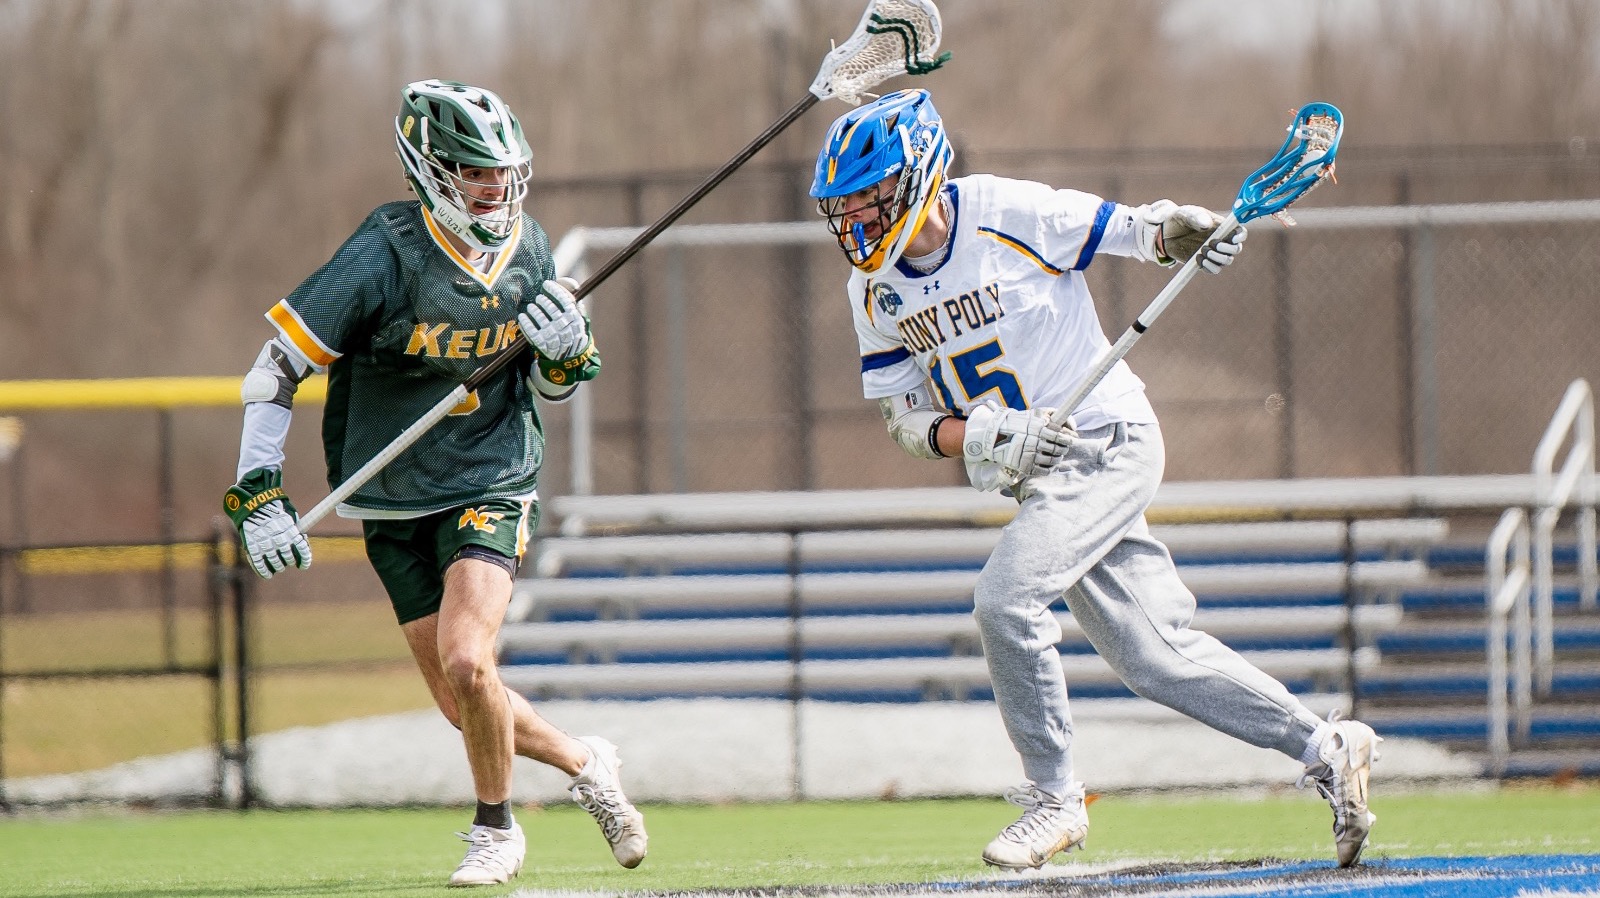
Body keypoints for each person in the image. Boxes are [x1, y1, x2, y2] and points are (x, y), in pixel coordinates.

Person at [809, 88, 1380, 870]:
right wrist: (983, 433)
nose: (858, 223)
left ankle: (1054, 799)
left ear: (918, 176)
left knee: (1004, 601)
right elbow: (908, 423)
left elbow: (1139, 231)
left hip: (1106, 438)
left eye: (870, 200)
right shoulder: (871, 290)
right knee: (1156, 658)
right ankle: (1328, 744)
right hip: (1039, 477)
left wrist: (1189, 234)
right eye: (847, 207)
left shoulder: (1006, 210)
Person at [221, 79, 647, 887]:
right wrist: (258, 492)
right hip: (389, 495)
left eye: (501, 172)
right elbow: (275, 370)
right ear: (426, 169)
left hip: (492, 474)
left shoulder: (530, 247)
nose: (493, 189)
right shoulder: (382, 252)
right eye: (471, 172)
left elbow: (556, 384)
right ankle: (586, 760)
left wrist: (565, 352)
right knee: (464, 704)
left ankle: (496, 829)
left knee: (466, 659)